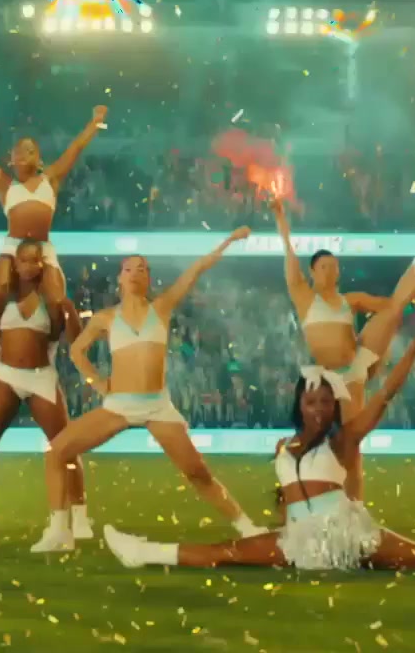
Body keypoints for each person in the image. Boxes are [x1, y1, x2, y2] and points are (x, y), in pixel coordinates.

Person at [101, 337, 415, 573]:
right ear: (300, 404)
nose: (321, 408)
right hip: (298, 539)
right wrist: (283, 521)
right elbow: (286, 497)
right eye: (312, 401)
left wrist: (409, 355)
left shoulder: (342, 439)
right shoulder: (283, 447)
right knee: (226, 552)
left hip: (345, 533)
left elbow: (383, 398)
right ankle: (142, 552)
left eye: (326, 401)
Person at [33, 229, 265, 553]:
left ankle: (248, 527)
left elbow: (197, 268)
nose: (135, 273)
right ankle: (59, 531)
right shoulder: (105, 318)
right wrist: (98, 382)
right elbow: (76, 351)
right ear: (120, 278)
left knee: (198, 473)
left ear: (148, 278)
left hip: (157, 407)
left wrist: (229, 241)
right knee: (57, 452)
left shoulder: (162, 307)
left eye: (142, 268)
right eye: (129, 268)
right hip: (118, 406)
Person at [273, 198, 415, 500]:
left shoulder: (350, 300)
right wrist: (281, 220)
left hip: (354, 369)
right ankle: (320, 493)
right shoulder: (305, 298)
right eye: (323, 266)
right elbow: (290, 260)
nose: (330, 271)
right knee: (337, 447)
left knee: (394, 308)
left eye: (334, 267)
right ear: (313, 272)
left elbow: (395, 305)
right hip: (328, 379)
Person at [0, 238, 89, 540]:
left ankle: (81, 517)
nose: (29, 265)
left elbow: (74, 339)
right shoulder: (3, 297)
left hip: (41, 377)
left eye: (35, 260)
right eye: (24, 260)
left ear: (43, 264)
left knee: (65, 446)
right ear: (14, 263)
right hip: (5, 376)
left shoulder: (51, 299)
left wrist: (67, 307)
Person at [0, 105, 105, 292]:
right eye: (18, 151)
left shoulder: (51, 179)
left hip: (43, 247)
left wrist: (95, 122)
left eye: (30, 151)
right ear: (10, 160)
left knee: (57, 298)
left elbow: (76, 147)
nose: (23, 154)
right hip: (13, 246)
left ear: (40, 161)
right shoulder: (4, 184)